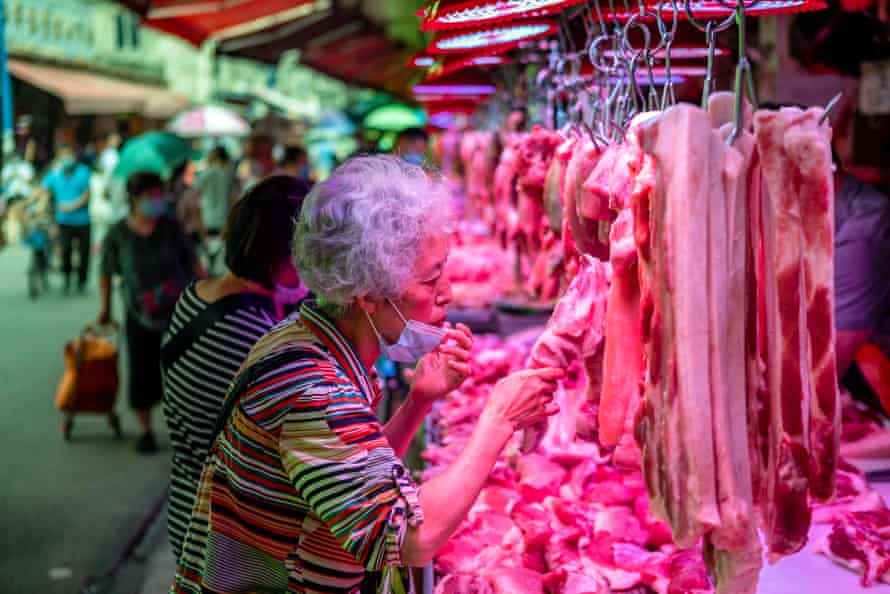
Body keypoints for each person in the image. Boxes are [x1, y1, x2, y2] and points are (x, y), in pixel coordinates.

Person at [171, 155, 561, 593]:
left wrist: (417, 402)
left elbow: (349, 476)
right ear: (368, 295)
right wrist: (499, 420)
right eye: (431, 280)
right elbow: (409, 538)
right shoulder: (314, 389)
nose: (448, 293)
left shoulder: (302, 337)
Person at [161, 175, 310, 559]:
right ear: (284, 251)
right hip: (227, 535)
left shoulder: (196, 296)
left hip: (191, 506)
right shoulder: (252, 336)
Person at [98, 172, 201, 454]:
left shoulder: (171, 228)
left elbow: (193, 263)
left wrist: (209, 294)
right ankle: (145, 430)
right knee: (141, 371)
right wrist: (105, 309)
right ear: (134, 198)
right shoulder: (118, 233)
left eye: (160, 195)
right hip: (138, 312)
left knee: (183, 372)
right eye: (151, 196)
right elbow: (106, 272)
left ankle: (187, 428)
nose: (158, 201)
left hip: (179, 312)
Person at [42, 145, 92, 294]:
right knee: (65, 251)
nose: (66, 159)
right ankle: (67, 279)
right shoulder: (55, 174)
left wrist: (71, 206)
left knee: (84, 252)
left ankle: (82, 281)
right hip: (63, 221)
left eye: (67, 155)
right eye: (62, 156)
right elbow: (42, 190)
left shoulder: (83, 171)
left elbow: (87, 195)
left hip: (82, 220)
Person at [194, 147, 234, 275]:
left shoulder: (203, 175)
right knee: (221, 269)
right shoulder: (230, 175)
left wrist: (200, 228)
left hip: (206, 224)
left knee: (206, 268)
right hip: (224, 225)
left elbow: (195, 203)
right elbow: (234, 201)